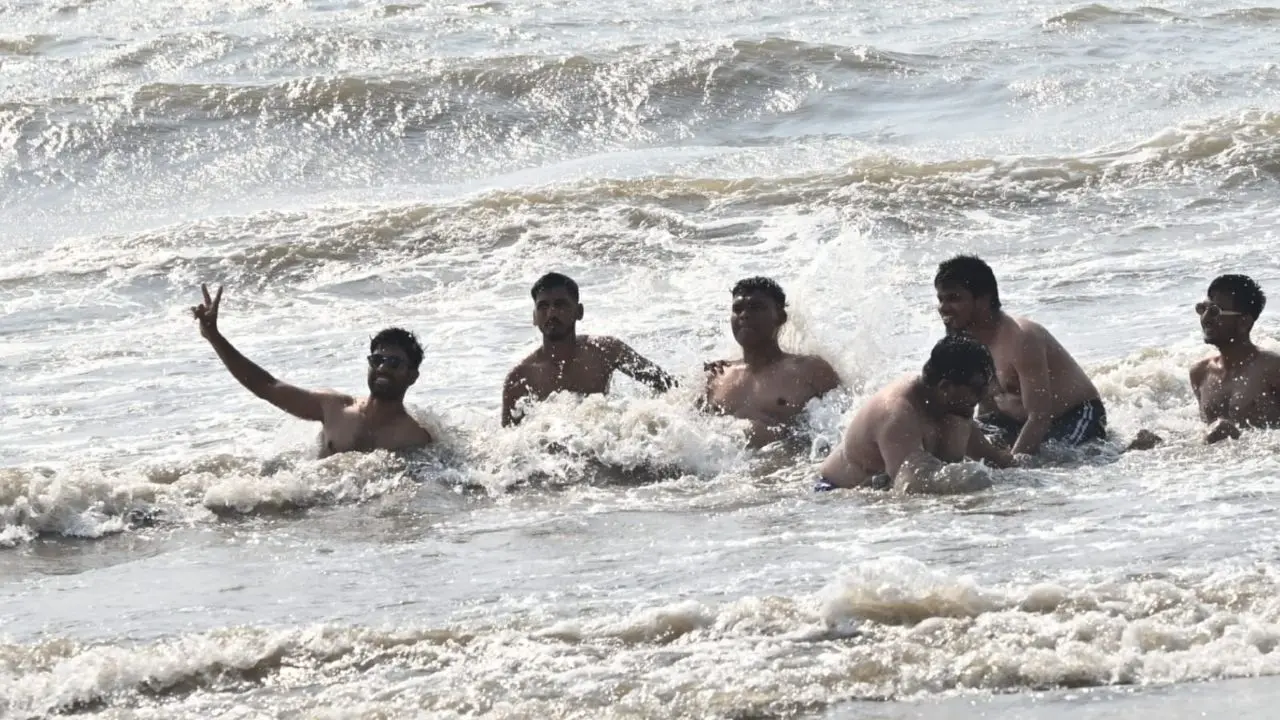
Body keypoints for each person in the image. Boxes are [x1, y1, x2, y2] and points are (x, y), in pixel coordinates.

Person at [191, 283, 433, 458]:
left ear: (412, 376)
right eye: (377, 359)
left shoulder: (414, 437)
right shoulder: (334, 408)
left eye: (394, 363)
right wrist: (214, 337)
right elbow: (266, 387)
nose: (382, 367)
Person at [934, 255, 1106, 456]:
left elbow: (1040, 416)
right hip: (1014, 421)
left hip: (1074, 415)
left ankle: (1131, 449)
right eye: (941, 299)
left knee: (1054, 459)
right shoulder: (964, 342)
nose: (944, 308)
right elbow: (986, 405)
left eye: (954, 298)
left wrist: (1013, 468)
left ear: (983, 300)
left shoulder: (1022, 338)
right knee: (959, 442)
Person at [817, 334, 1013, 494]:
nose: (984, 395)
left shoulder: (956, 407)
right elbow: (911, 489)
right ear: (945, 387)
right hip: (838, 496)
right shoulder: (897, 416)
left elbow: (993, 459)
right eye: (978, 388)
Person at [502, 272, 676, 426]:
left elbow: (668, 385)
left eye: (560, 305)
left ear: (579, 312)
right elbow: (508, 447)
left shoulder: (605, 351)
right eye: (543, 306)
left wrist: (699, 391)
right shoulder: (520, 378)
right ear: (534, 317)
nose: (551, 313)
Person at [700, 277, 841, 446]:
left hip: (789, 470)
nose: (744, 315)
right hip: (725, 470)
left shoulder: (809, 370)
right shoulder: (717, 375)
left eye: (756, 307)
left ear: (780, 317)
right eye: (737, 309)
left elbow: (845, 424)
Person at [1190, 274, 1280, 444]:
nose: (1206, 318)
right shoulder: (1199, 373)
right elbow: (1203, 436)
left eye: (1215, 311)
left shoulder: (1272, 368)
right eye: (1202, 309)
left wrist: (1239, 436)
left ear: (1244, 322)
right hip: (1211, 470)